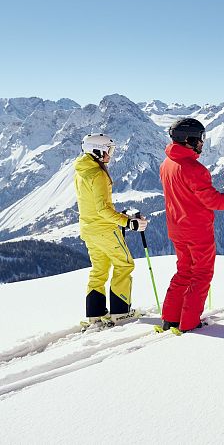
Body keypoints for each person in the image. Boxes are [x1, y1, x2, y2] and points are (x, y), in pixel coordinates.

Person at [159, 118, 224, 333]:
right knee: (201, 274)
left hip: (176, 228)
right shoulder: (194, 168)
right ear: (187, 140)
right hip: (197, 230)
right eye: (199, 139)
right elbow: (213, 201)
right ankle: (189, 323)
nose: (202, 143)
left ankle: (170, 319)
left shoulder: (167, 164)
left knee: (184, 272)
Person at [74, 133, 148, 323]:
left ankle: (95, 314)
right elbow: (103, 209)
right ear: (96, 151)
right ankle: (121, 312)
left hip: (88, 229)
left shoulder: (82, 170)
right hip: (105, 229)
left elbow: (92, 204)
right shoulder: (98, 174)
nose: (110, 155)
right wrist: (127, 222)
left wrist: (120, 215)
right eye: (108, 150)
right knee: (125, 264)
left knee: (99, 270)